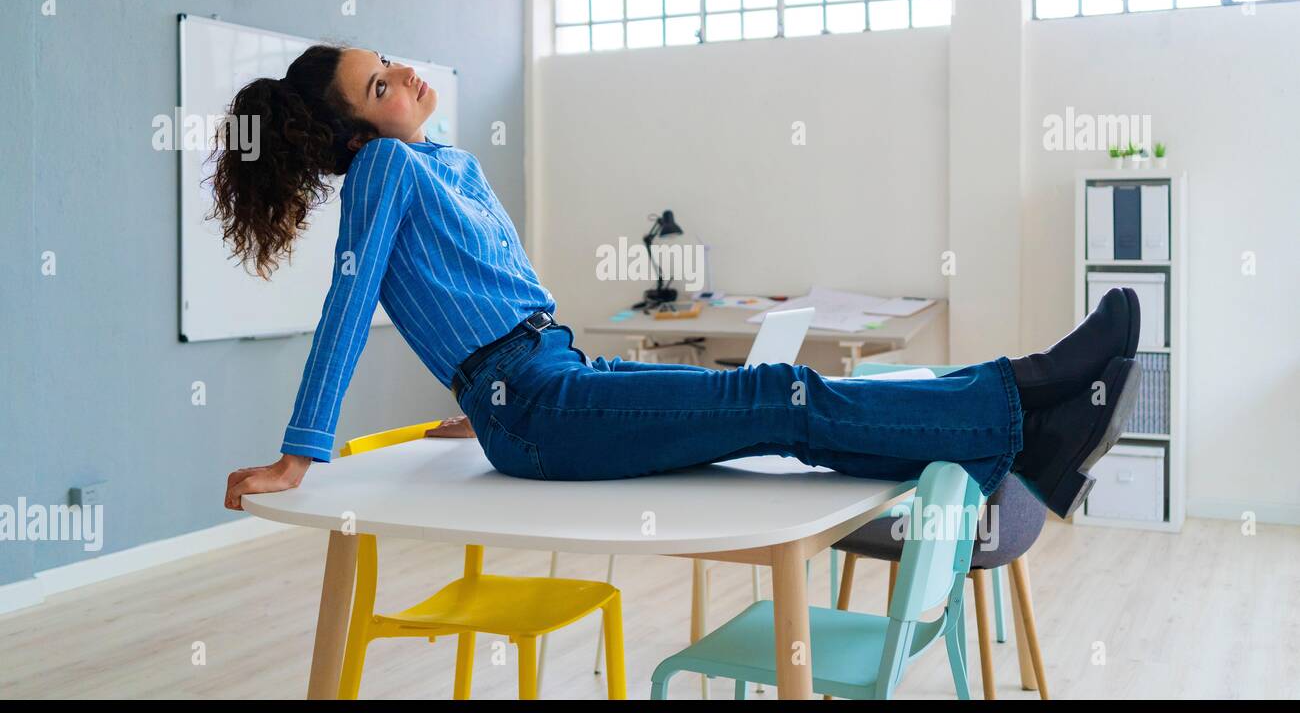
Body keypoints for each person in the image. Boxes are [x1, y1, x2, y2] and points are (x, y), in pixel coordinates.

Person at [216, 44, 1142, 521]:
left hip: (546, 373)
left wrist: (474, 390)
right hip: (536, 404)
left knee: (786, 395)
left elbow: (484, 288)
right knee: (779, 395)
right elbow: (350, 298)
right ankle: (1028, 409)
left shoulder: (437, 163)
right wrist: (304, 450)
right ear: (355, 139)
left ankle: (1030, 409)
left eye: (387, 63)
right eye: (380, 85)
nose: (404, 75)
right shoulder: (384, 171)